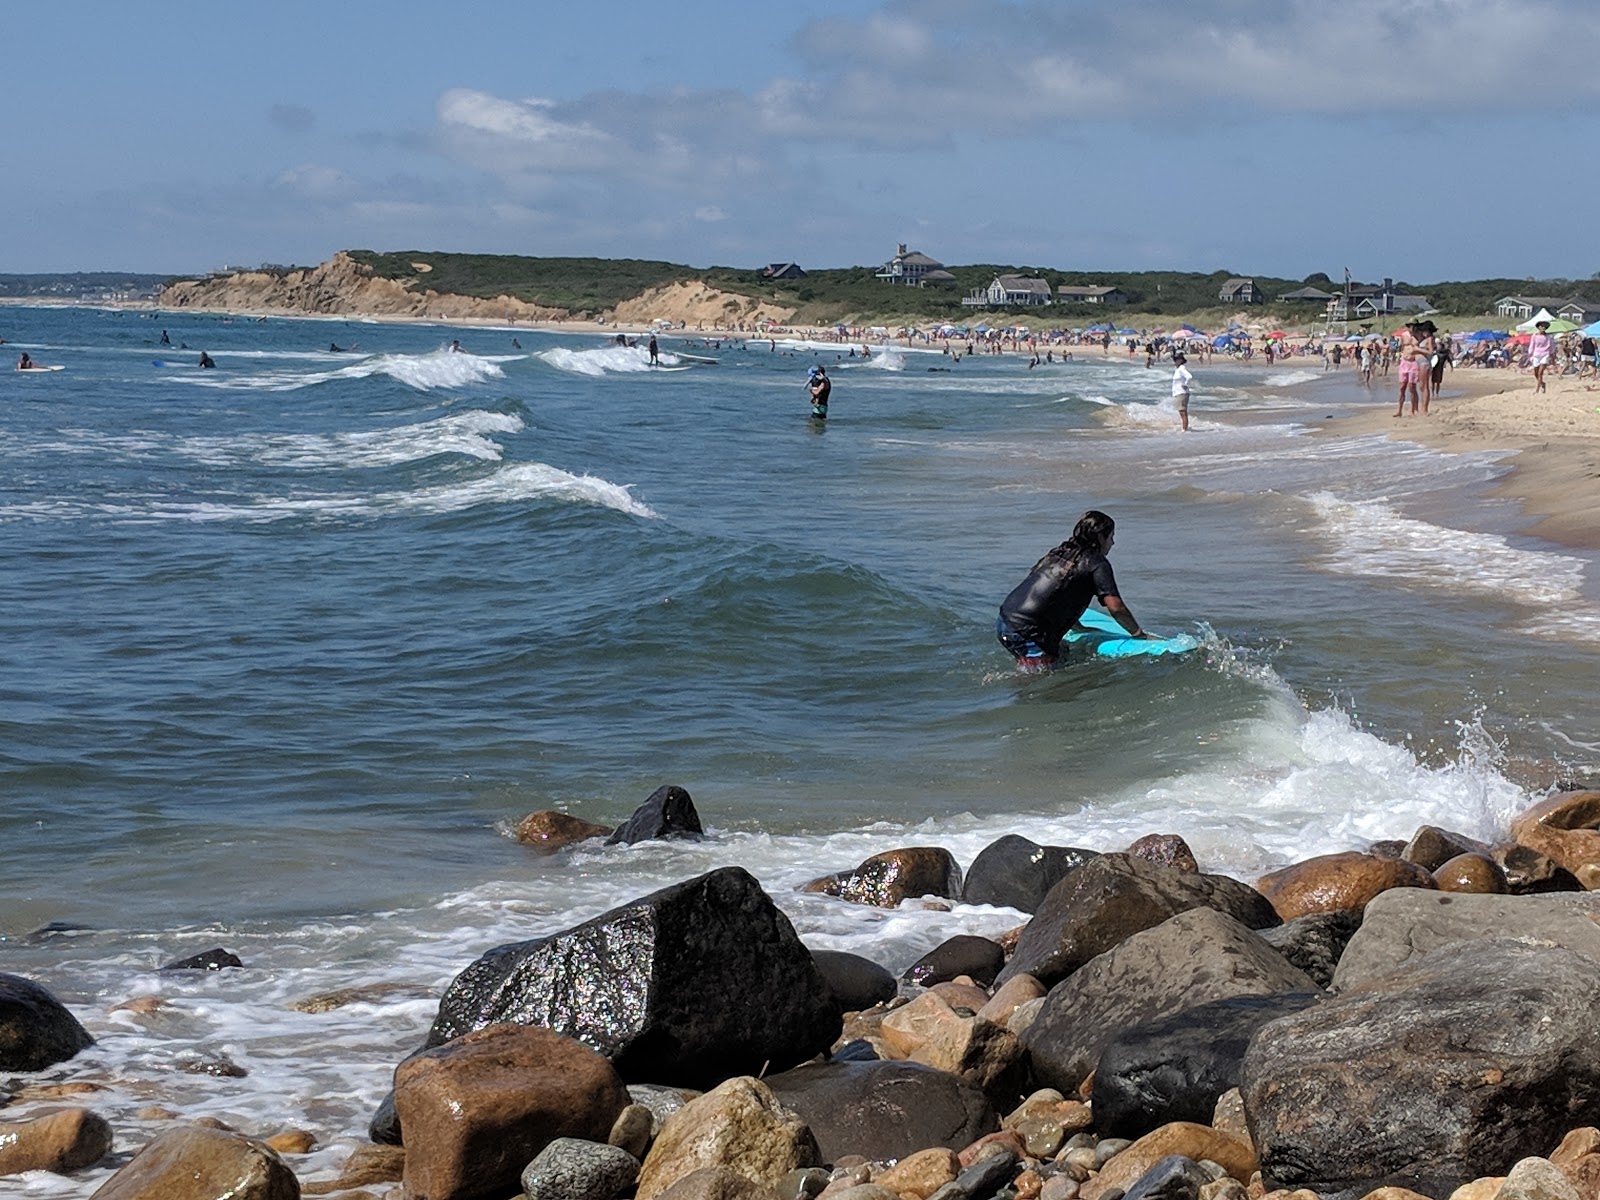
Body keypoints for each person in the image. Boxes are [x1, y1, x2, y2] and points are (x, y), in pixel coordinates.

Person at [996, 510, 1150, 670]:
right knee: (1039, 682)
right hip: (1026, 632)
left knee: (1063, 653)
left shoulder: (1060, 553)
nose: (1113, 543)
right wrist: (1138, 633)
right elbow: (1115, 606)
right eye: (1111, 537)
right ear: (1100, 538)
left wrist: (1078, 627)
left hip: (1005, 620)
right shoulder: (1097, 563)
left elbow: (1054, 595)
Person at [1528, 320, 1555, 394]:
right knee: (1535, 373)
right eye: (1541, 326)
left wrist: (1551, 354)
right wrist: (1530, 354)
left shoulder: (1548, 337)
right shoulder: (1534, 336)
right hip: (1536, 355)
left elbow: (1551, 346)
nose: (1543, 328)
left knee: (1540, 373)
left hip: (1545, 354)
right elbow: (1532, 345)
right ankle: (1542, 383)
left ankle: (1537, 389)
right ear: (1538, 327)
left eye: (1544, 327)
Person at [1171, 352, 1193, 432]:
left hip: (1182, 392)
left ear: (1181, 360)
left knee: (1183, 412)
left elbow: (1189, 376)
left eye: (1177, 359)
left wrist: (1185, 384)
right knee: (1182, 412)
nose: (1175, 361)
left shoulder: (1181, 368)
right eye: (1174, 360)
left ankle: (1185, 430)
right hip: (1179, 393)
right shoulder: (1178, 369)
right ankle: (1185, 428)